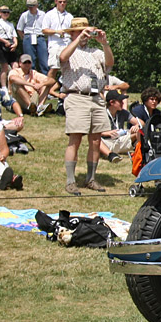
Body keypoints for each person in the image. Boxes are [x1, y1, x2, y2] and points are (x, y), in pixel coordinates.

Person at [58, 17, 114, 194]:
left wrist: (104, 44)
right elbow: (62, 57)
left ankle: (91, 178)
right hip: (76, 97)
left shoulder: (95, 52)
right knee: (75, 139)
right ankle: (70, 181)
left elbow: (110, 63)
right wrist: (77, 40)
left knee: (96, 141)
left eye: (86, 31)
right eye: (80, 31)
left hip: (96, 98)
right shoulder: (68, 49)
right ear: (73, 33)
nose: (85, 35)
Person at [36, 0, 73, 116]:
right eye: (60, 2)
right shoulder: (49, 14)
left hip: (67, 45)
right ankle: (40, 103)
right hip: (55, 46)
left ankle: (66, 103)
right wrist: (57, 31)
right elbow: (44, 30)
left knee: (68, 73)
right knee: (52, 73)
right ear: (56, 2)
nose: (62, 4)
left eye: (64, 2)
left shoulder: (69, 16)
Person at [99, 91, 142, 162]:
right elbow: (92, 132)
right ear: (112, 102)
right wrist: (107, 133)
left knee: (139, 132)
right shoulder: (102, 113)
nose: (123, 103)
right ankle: (110, 154)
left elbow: (142, 123)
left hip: (120, 139)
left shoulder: (123, 112)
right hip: (107, 142)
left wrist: (137, 125)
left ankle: (140, 153)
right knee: (96, 139)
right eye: (120, 101)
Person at [0, 5, 20, 91]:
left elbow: (14, 36)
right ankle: (4, 87)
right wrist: (4, 41)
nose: (6, 14)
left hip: (10, 44)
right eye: (4, 12)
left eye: (7, 12)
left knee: (15, 66)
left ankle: (15, 84)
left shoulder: (10, 24)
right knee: (4, 67)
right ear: (0, 13)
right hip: (1, 44)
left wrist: (15, 44)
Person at [16, 0, 47, 74]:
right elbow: (19, 29)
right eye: (29, 6)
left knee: (44, 61)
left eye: (32, 6)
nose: (30, 8)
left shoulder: (43, 14)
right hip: (28, 37)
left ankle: (46, 80)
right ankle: (30, 79)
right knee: (29, 61)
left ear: (36, 6)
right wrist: (24, 38)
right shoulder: (24, 15)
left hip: (40, 37)